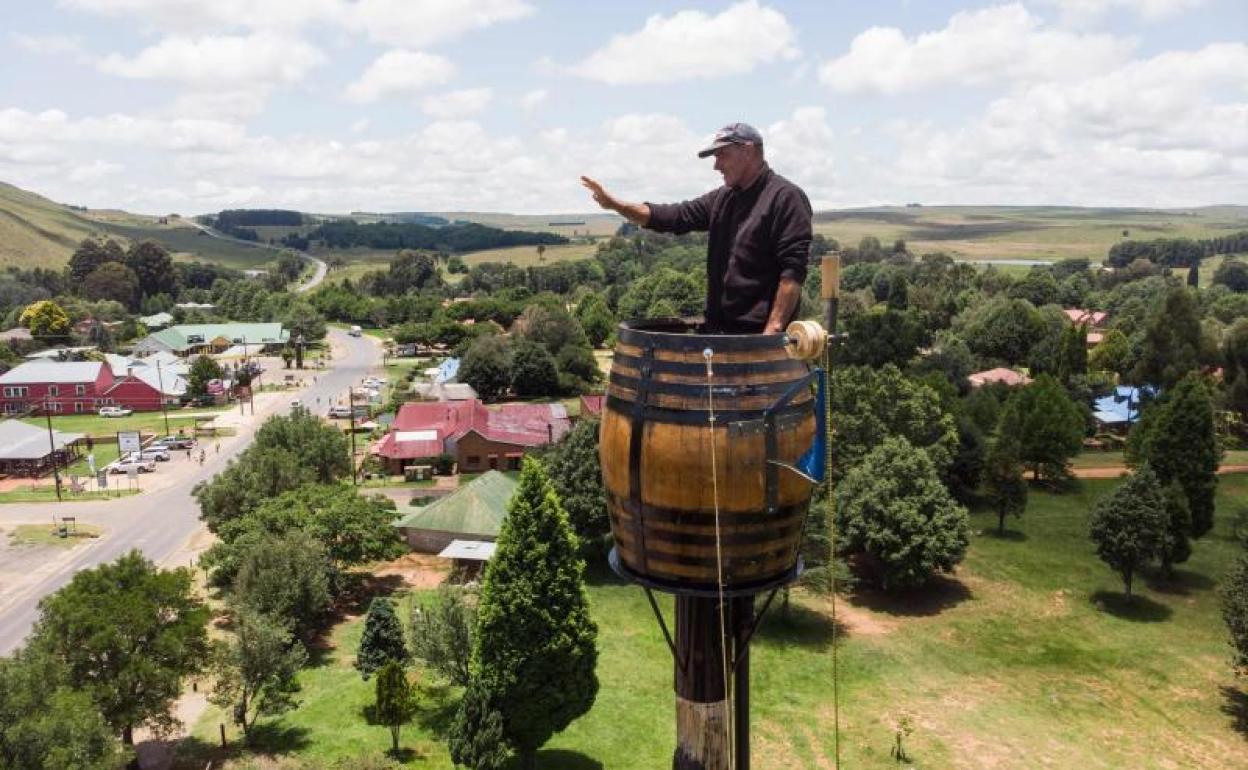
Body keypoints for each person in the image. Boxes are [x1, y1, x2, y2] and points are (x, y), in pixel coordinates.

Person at [582, 122, 811, 334]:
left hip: (758, 339)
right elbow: (672, 216)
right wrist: (614, 204)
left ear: (748, 151)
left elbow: (792, 273)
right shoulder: (723, 199)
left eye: (722, 155)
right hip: (718, 334)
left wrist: (773, 330)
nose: (716, 165)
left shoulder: (785, 198)